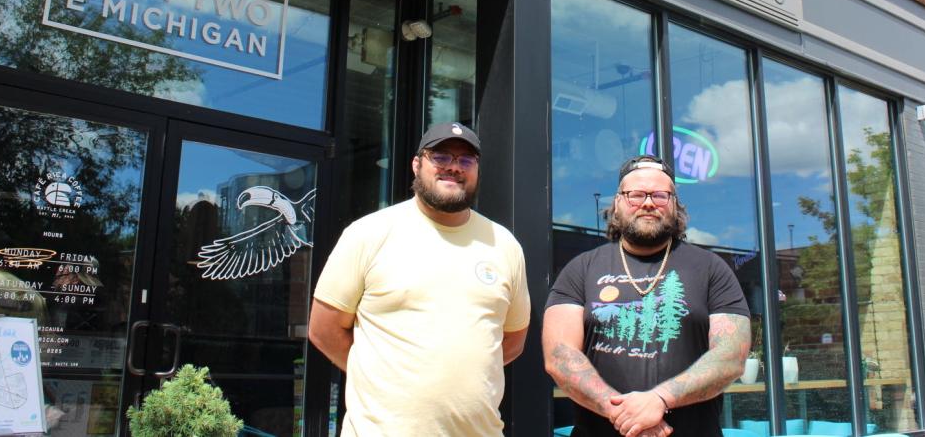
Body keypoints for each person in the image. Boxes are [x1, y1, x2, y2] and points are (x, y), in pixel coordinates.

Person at [308, 122, 531, 436]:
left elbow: (511, 341)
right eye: (440, 157)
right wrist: (379, 376)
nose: (454, 167)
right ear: (417, 164)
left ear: (477, 170)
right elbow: (324, 330)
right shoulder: (369, 233)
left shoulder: (504, 244)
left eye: (466, 160)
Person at [544, 155, 751, 437]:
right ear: (617, 203)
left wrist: (660, 399)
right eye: (636, 194)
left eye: (660, 195)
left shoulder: (711, 269)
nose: (648, 202)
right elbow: (559, 356)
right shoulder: (580, 269)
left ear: (674, 205)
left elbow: (731, 356)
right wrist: (626, 415)